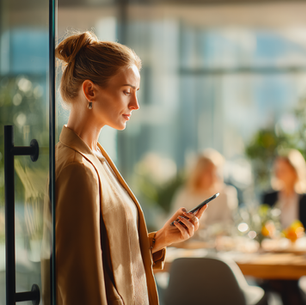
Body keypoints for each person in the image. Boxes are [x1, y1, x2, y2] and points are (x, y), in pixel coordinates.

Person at [53, 31, 207, 305]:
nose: (135, 105)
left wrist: (160, 239)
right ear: (90, 90)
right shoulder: (78, 168)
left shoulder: (95, 157)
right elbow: (80, 284)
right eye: (127, 92)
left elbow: (108, 258)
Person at [171, 149, 238, 230]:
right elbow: (172, 220)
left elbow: (229, 223)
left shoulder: (227, 194)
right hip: (189, 241)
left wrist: (203, 228)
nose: (213, 176)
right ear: (199, 173)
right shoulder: (185, 193)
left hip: (217, 241)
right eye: (208, 171)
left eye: (216, 171)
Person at [262, 149, 306, 232]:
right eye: (277, 170)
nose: (278, 174)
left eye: (283, 170)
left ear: (295, 172)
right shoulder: (268, 197)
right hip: (274, 244)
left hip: (299, 244)